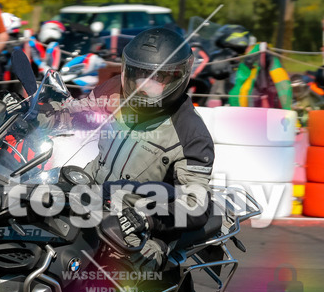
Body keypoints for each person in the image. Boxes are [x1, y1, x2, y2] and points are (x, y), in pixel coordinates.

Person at [55, 26, 216, 271]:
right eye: (137, 73)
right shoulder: (114, 92)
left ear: (176, 77)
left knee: (108, 286)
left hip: (138, 229)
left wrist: (148, 219)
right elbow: (74, 113)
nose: (142, 85)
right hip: (91, 199)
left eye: (155, 78)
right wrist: (34, 113)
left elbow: (195, 203)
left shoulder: (191, 132)